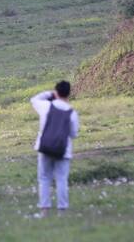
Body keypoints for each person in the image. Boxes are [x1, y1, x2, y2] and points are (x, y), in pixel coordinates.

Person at [30, 80, 79, 217]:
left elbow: (33, 99)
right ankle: (62, 211)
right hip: (63, 149)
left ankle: (44, 210)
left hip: (44, 147)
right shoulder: (72, 112)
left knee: (45, 179)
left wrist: (49, 94)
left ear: (56, 92)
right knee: (61, 179)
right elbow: (74, 134)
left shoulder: (46, 106)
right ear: (69, 94)